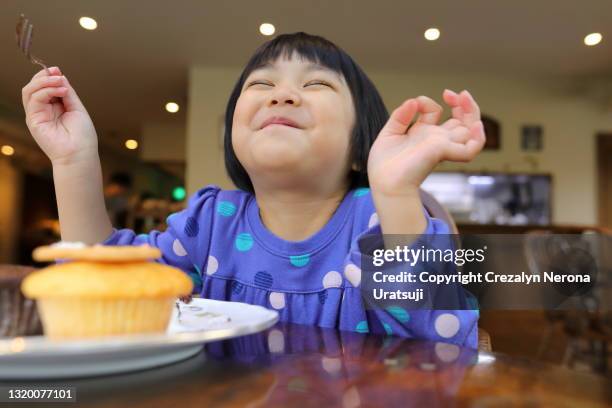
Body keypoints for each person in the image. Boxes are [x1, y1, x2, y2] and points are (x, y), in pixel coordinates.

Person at [21, 32, 485, 347]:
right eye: (261, 84)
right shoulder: (209, 224)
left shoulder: (381, 219)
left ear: (361, 145)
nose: (281, 95)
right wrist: (73, 159)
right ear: (234, 138)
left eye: (317, 83)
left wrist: (396, 191)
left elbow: (443, 345)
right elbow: (106, 281)